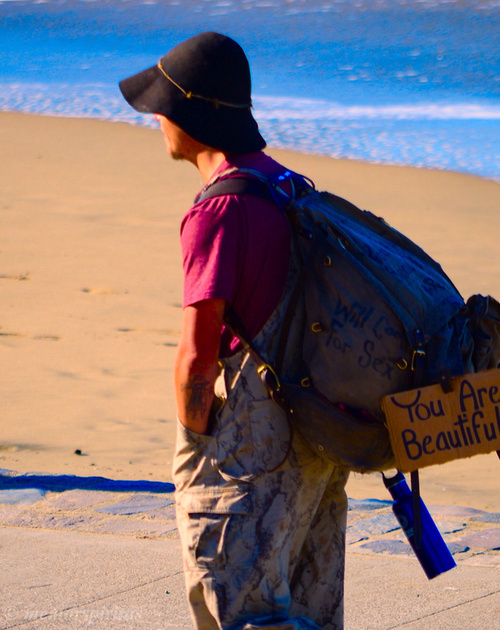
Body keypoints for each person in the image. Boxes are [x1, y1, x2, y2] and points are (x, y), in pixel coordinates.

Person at [119, 32, 348, 630]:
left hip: (251, 442)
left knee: (241, 609)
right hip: (318, 435)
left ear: (192, 113)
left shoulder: (219, 211)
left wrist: (200, 447)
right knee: (307, 611)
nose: (158, 119)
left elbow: (198, 358)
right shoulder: (291, 185)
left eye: (163, 106)